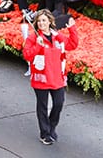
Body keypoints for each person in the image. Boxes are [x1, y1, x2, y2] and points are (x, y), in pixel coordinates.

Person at [22, 9, 78, 145]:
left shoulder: (57, 36)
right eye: (39, 21)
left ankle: (51, 127)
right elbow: (27, 55)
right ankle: (45, 133)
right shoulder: (33, 38)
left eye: (44, 20)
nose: (41, 23)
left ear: (50, 22)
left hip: (57, 77)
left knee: (58, 104)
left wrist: (72, 29)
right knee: (42, 106)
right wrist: (37, 46)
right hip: (41, 78)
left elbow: (72, 45)